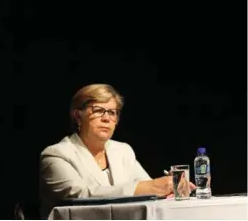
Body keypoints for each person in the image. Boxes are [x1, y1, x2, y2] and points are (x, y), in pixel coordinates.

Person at [39, 84, 194, 214]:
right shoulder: (56, 155)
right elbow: (81, 196)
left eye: (112, 113)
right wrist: (152, 187)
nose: (107, 118)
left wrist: (170, 187)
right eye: (98, 110)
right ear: (78, 116)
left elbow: (148, 190)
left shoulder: (123, 151)